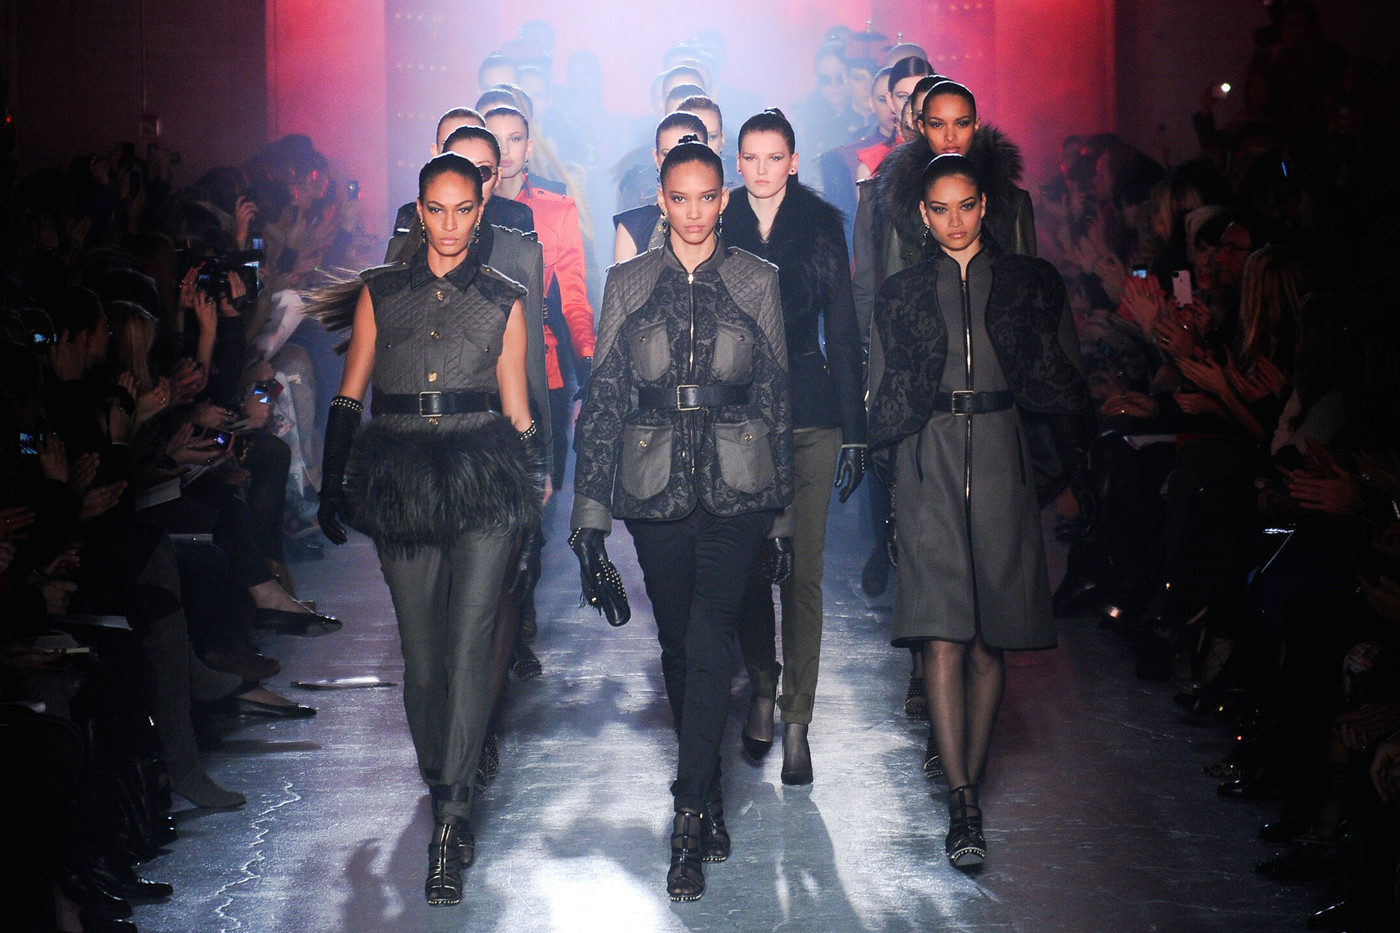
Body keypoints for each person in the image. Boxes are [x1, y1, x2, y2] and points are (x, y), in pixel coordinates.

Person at [570, 138, 794, 902]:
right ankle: (713, 790)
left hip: (740, 487)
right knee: (678, 645)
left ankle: (689, 816)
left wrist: (783, 519)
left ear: (723, 199)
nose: (694, 212)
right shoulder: (627, 282)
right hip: (653, 487)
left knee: (707, 637)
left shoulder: (757, 279)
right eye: (679, 198)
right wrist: (590, 517)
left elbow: (776, 398)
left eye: (706, 197)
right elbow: (605, 399)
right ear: (661, 202)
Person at [316, 153, 543, 906]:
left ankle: (451, 817)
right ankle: (444, 777)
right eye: (436, 210)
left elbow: (518, 409)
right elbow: (350, 394)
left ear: (481, 214)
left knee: (472, 642)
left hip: (484, 478)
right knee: (422, 660)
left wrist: (534, 500)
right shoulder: (381, 292)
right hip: (402, 480)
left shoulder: (505, 296)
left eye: (463, 210)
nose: (449, 225)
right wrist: (332, 481)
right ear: (419, 212)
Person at [866, 154, 1091, 869]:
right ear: (923, 216)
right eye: (940, 209)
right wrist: (893, 479)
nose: (955, 220)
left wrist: (1053, 474)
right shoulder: (901, 293)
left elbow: (1063, 381)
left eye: (966, 205)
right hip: (928, 457)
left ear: (986, 206)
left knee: (992, 639)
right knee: (940, 635)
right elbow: (884, 393)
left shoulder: (1030, 283)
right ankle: (963, 800)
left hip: (1001, 454)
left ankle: (972, 770)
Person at [722, 109, 866, 786]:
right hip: (739, 416)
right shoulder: (719, 218)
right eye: (750, 157)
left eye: (773, 157)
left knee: (803, 573)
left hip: (810, 408)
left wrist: (856, 429)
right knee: (752, 567)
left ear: (794, 161)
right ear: (737, 161)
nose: (760, 169)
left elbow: (844, 326)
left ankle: (797, 721)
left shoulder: (821, 224)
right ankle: (762, 684)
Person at [484, 105, 595, 491]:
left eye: (514, 139)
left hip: (542, 364)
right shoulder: (461, 209)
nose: (505, 150)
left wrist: (587, 361)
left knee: (539, 491)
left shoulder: (555, 208)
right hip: (476, 367)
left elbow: (574, 296)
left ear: (529, 146)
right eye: (495, 140)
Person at [612, 110, 709, 264]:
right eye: (667, 154)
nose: (676, 163)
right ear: (656, 158)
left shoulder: (731, 219)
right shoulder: (634, 227)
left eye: (687, 153)